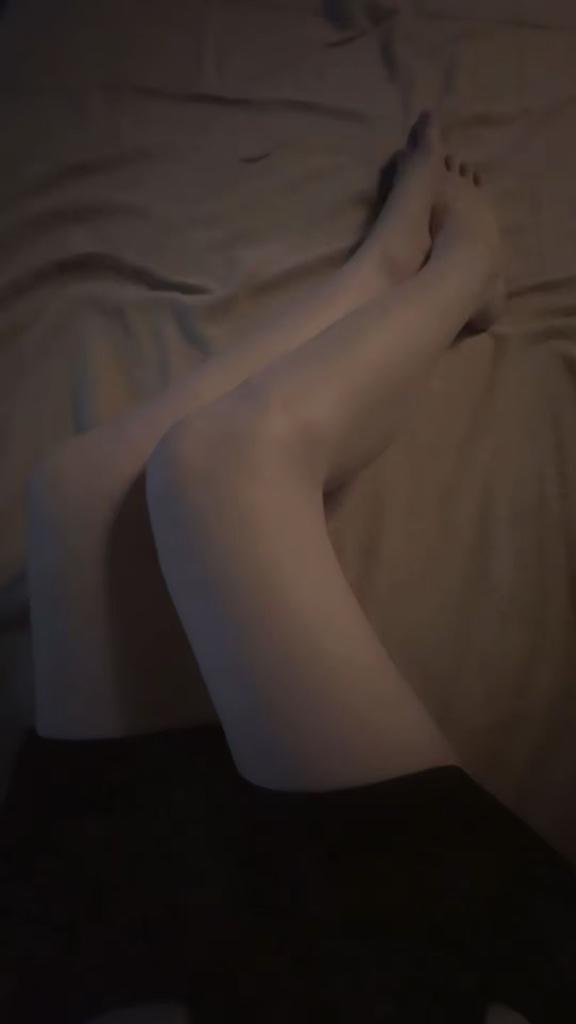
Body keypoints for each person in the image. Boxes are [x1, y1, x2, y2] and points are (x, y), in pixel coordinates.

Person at [1, 110, 575, 1023]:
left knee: (72, 497)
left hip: (97, 964)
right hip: (365, 978)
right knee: (222, 467)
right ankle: (464, 272)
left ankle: (378, 276)